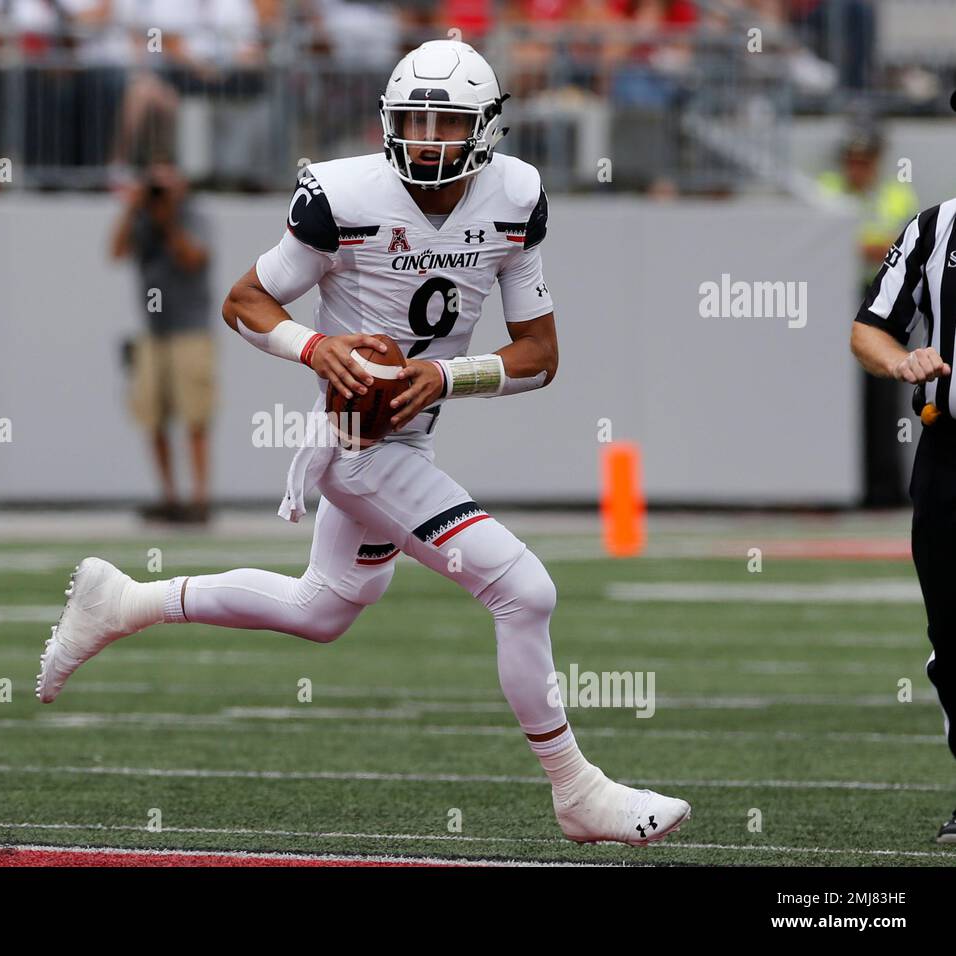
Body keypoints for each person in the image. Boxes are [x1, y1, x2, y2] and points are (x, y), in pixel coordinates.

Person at [41, 40, 690, 846]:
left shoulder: (516, 195)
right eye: (412, 118)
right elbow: (246, 302)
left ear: (485, 129)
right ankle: (576, 790)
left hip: (408, 436)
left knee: (323, 608)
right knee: (525, 591)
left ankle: (126, 602)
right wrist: (316, 349)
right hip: (355, 441)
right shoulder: (342, 195)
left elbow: (539, 358)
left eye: (444, 122)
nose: (424, 136)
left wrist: (446, 379)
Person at [849, 194, 956, 844]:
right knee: (952, 639)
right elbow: (871, 326)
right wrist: (901, 361)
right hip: (951, 449)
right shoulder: (933, 228)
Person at [110, 163, 216, 523]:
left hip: (191, 331)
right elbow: (116, 251)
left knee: (195, 416)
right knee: (153, 416)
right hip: (153, 332)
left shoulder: (192, 217)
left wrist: (169, 220)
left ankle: (199, 499)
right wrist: (132, 206)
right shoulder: (142, 219)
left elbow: (193, 258)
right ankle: (169, 497)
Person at [820, 128, 919, 507]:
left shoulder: (894, 195)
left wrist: (855, 246)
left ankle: (883, 488)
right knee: (834, 399)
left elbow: (897, 247)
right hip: (831, 300)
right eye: (852, 161)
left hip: (881, 300)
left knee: (884, 395)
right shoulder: (827, 190)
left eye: (864, 162)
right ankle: (835, 487)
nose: (857, 170)